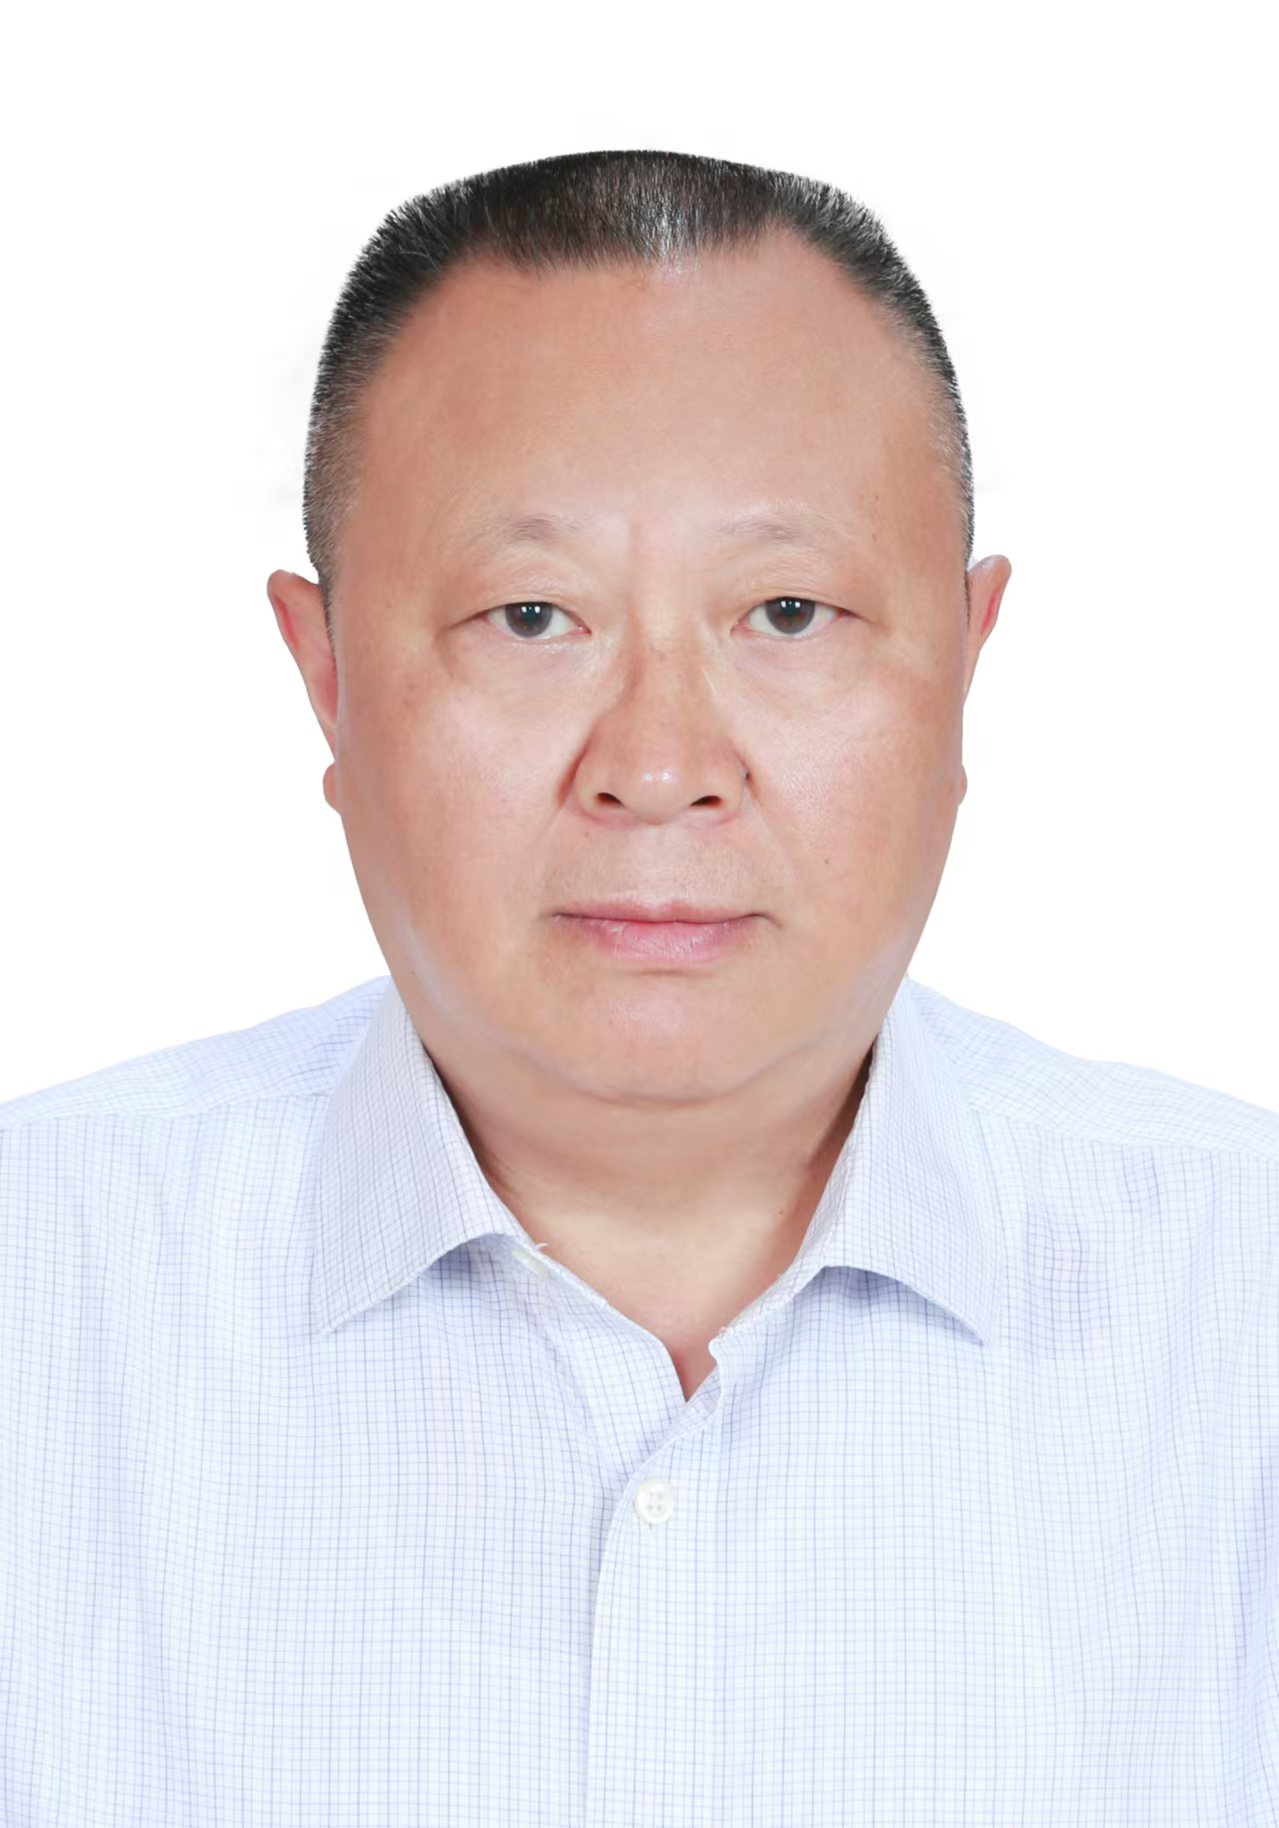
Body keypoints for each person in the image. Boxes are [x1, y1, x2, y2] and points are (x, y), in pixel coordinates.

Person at [2, 149, 1275, 1825]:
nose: (660, 766)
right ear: (325, 678)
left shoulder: (1242, 1313)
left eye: (788, 612)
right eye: (533, 616)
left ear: (968, 665)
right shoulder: (40, 1300)